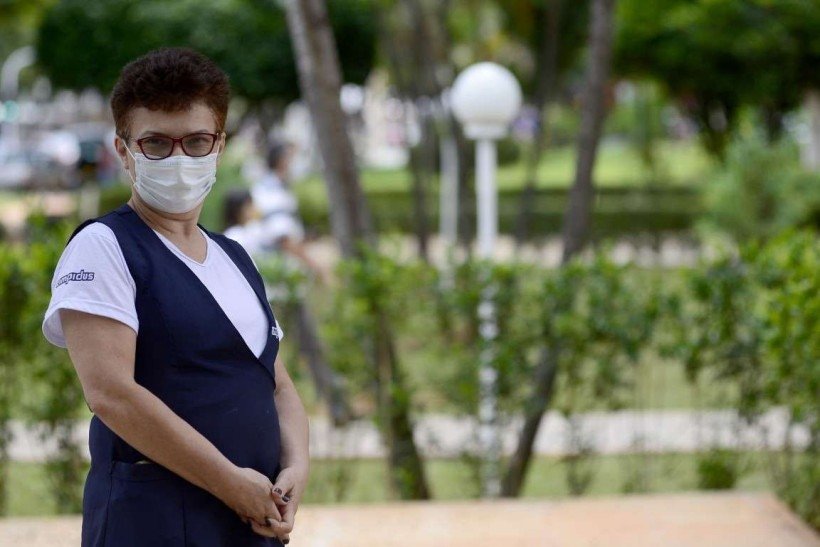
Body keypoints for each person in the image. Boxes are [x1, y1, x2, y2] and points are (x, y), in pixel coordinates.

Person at [41, 48, 309, 546]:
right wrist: (231, 483)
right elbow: (111, 395)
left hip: (251, 518)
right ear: (124, 151)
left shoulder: (234, 255)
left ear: (220, 145)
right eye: (157, 144)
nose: (179, 159)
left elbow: (277, 384)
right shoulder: (104, 248)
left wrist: (296, 468)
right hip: (155, 521)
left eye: (197, 141)